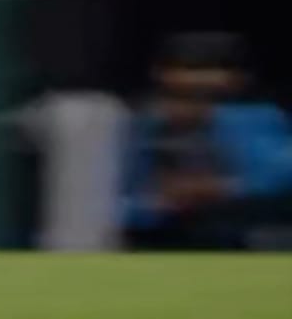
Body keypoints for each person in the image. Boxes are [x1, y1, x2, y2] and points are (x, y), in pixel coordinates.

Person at [125, 33, 292, 251]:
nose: (190, 106)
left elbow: (280, 175)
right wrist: (152, 205)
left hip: (240, 231)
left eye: (204, 95)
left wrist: (221, 188)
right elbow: (116, 197)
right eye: (180, 95)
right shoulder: (141, 124)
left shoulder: (258, 119)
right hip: (156, 234)